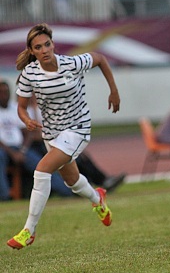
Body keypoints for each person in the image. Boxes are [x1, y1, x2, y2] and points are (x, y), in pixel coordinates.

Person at [7, 23, 120, 250]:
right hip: (52, 133)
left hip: (78, 129)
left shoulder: (71, 63)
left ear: (53, 43)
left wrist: (114, 90)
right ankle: (98, 198)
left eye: (47, 44)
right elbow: (21, 107)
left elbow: (100, 59)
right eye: (38, 47)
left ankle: (29, 230)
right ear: (32, 51)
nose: (45, 49)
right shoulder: (30, 74)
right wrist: (26, 119)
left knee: (41, 170)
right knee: (73, 182)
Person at [27, 96, 126, 193]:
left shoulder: (48, 107)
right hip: (39, 145)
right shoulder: (27, 111)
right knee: (71, 157)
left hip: (56, 140)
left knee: (82, 156)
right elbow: (34, 135)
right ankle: (88, 187)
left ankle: (101, 181)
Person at [0, 80, 72, 201]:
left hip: (19, 148)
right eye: (1, 93)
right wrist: (12, 153)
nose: (4, 95)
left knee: (43, 165)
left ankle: (67, 192)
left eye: (6, 92)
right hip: (3, 149)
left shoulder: (15, 108)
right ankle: (4, 196)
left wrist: (22, 151)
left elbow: (27, 133)